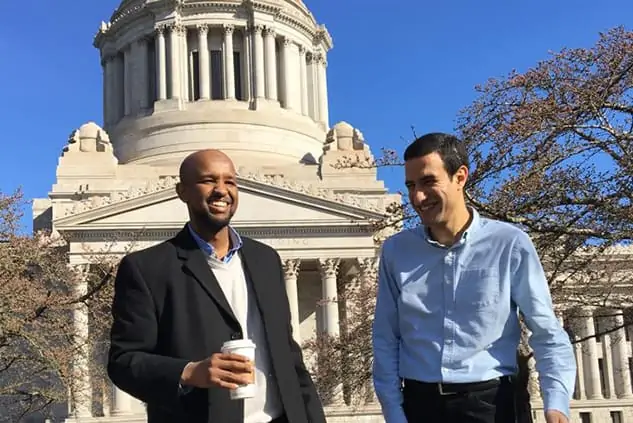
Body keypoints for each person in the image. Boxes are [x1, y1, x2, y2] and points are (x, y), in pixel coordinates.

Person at [107, 149, 326, 423]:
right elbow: (123, 361)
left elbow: (290, 357)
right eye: (208, 180)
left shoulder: (266, 260)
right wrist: (189, 372)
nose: (221, 190)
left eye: (230, 181)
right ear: (182, 191)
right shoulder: (147, 268)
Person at [372, 133, 576, 423]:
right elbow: (385, 338)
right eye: (410, 186)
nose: (417, 197)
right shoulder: (396, 251)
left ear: (460, 177)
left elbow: (546, 330)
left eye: (428, 182)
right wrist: (393, 411)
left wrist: (556, 404)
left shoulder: (509, 243)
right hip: (420, 405)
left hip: (493, 406)